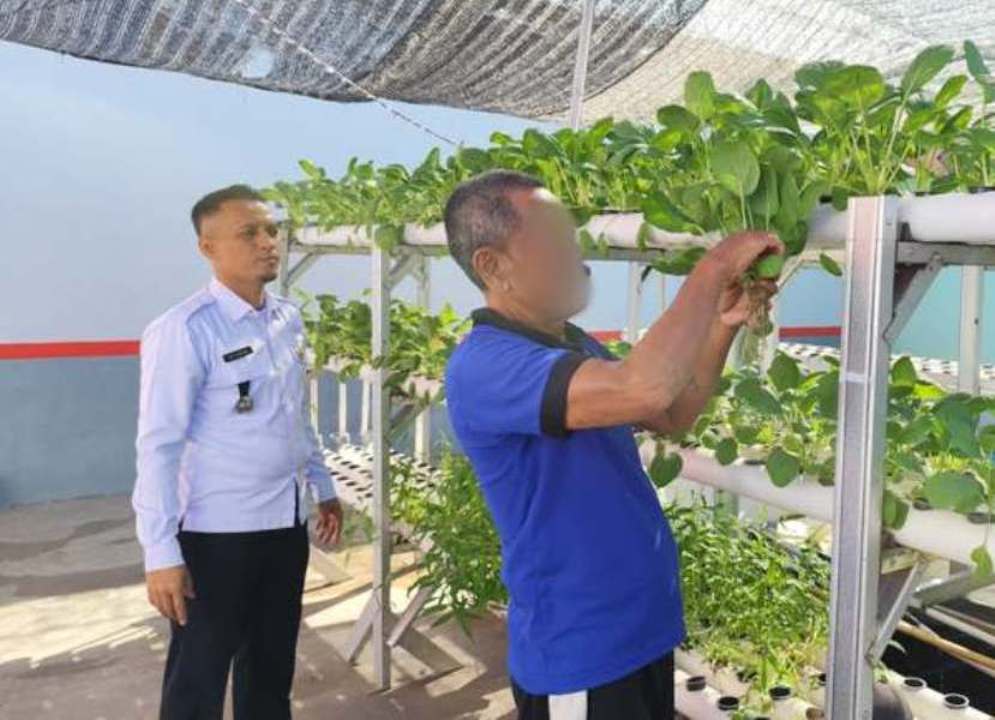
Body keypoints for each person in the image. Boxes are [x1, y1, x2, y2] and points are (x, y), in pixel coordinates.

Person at [443, 171, 781, 720]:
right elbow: (642, 386)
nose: (576, 254)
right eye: (554, 239)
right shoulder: (484, 365)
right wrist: (715, 265)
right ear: (492, 265)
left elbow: (670, 412)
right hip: (581, 651)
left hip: (637, 634)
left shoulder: (568, 342)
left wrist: (721, 324)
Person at [132, 184, 343, 720]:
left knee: (271, 674)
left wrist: (323, 488)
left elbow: (296, 416)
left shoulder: (286, 319)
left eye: (272, 229)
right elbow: (158, 447)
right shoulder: (184, 330)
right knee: (197, 682)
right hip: (215, 536)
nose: (268, 242)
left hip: (284, 529)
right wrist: (161, 553)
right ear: (208, 247)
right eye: (249, 232)